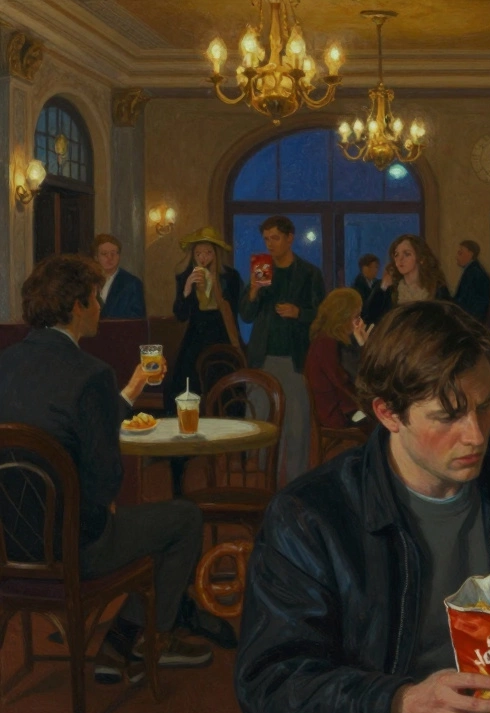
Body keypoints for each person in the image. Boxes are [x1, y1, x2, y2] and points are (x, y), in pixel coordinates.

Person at [235, 301, 490, 713]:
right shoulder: (309, 516)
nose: (475, 435)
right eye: (448, 416)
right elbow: (270, 680)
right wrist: (397, 702)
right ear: (388, 413)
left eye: (485, 406)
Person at [0, 255, 218, 685]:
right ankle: (132, 641)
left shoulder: (4, 363)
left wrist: (130, 390)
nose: (101, 307)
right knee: (184, 518)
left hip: (9, 543)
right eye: (96, 299)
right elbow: (103, 483)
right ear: (78, 306)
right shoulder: (90, 373)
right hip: (75, 547)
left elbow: (58, 429)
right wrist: (104, 505)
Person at [238, 215, 325, 482]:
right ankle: (265, 481)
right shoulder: (262, 270)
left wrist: (298, 312)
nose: (270, 243)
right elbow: (246, 315)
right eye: (266, 238)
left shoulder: (309, 273)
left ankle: (295, 483)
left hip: (295, 357)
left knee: (296, 425)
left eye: (275, 237)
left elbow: (321, 316)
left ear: (290, 238)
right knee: (262, 423)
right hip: (263, 357)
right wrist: (252, 291)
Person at [166, 226, 244, 496]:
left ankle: (232, 459)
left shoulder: (230, 277)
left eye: (208, 252)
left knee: (229, 395)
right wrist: (187, 290)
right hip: (196, 341)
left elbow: (237, 311)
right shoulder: (185, 276)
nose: (203, 257)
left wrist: (215, 288)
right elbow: (180, 315)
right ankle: (184, 458)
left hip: (222, 340)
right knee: (183, 392)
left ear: (216, 254)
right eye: (198, 252)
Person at [304, 288, 372, 431]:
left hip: (340, 406)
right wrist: (364, 346)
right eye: (357, 316)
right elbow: (354, 378)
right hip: (339, 412)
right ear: (343, 317)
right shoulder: (328, 343)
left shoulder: (326, 338)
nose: (359, 322)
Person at [363, 234, 451, 326]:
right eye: (396, 255)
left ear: (421, 259)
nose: (400, 259)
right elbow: (369, 316)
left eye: (407, 254)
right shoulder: (389, 289)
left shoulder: (437, 289)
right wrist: (383, 287)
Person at [93, 233, 145, 319]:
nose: (110, 258)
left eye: (114, 253)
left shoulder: (131, 284)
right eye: (104, 253)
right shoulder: (89, 281)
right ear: (96, 257)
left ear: (119, 256)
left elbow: (137, 320)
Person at [453, 239, 490, 323]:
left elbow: (467, 304)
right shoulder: (472, 271)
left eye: (460, 253)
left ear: (470, 254)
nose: (456, 257)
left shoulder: (474, 273)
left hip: (470, 323)